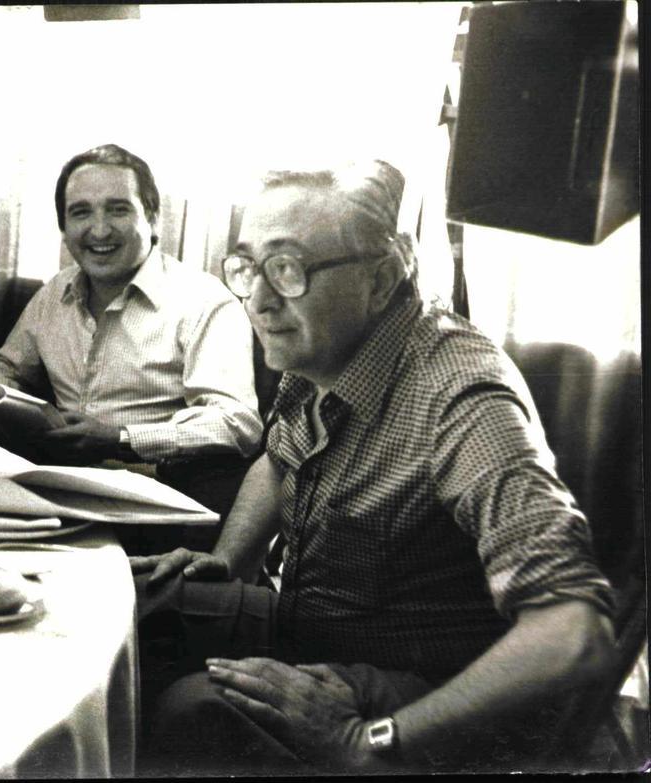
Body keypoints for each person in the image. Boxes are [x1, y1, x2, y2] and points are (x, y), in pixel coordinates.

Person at [129, 160, 616, 775]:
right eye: (249, 266)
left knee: (193, 710)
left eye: (288, 269)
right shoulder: (322, 344)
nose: (258, 300)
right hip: (317, 625)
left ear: (381, 280)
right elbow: (279, 460)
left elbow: (575, 632)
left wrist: (369, 740)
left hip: (431, 684)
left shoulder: (460, 400)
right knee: (126, 608)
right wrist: (227, 565)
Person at [0, 144, 263, 547]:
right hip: (54, 492)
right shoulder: (55, 293)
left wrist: (121, 438)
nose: (99, 230)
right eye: (81, 212)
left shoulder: (205, 301)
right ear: (64, 228)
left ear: (153, 217)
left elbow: (238, 423)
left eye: (117, 210)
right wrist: (2, 402)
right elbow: (5, 366)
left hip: (154, 510)